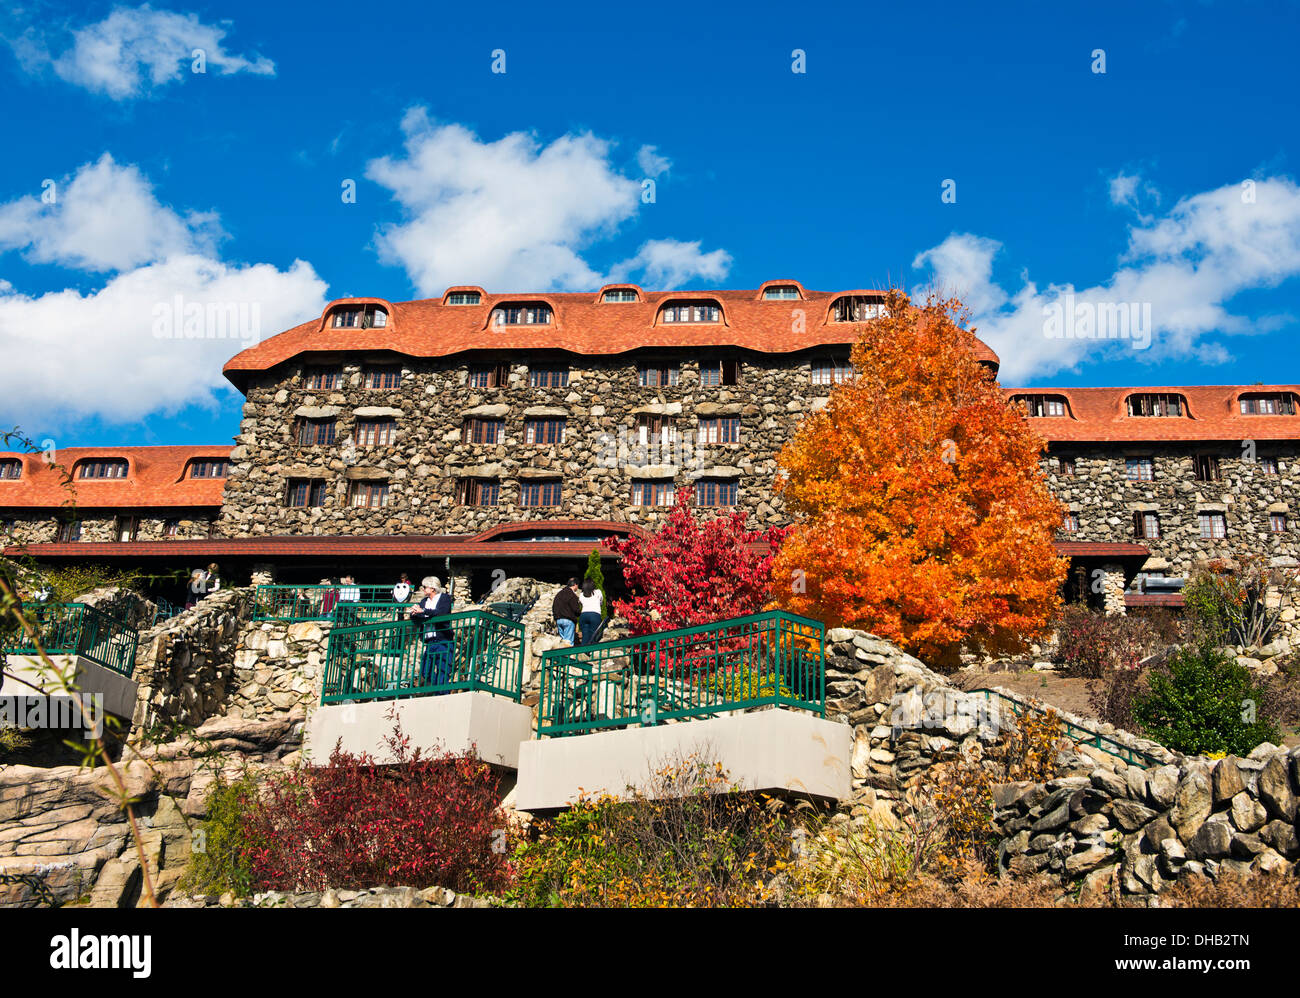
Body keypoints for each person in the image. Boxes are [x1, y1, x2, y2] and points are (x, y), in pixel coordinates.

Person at [409, 576, 454, 688]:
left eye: (425, 587)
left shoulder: (445, 598)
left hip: (443, 640)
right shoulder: (424, 601)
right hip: (430, 641)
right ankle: (438, 690)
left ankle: (441, 693)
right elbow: (419, 614)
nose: (422, 589)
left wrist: (423, 611)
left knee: (443, 672)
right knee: (425, 671)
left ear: (433, 588)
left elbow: (442, 613)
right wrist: (414, 612)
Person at [552, 577, 580, 644]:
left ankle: (562, 654)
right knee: (568, 643)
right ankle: (568, 654)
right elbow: (576, 609)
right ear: (575, 585)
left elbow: (554, 606)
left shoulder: (559, 594)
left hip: (559, 620)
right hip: (568, 620)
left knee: (562, 643)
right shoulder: (572, 595)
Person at [577, 577, 604, 646]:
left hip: (583, 615)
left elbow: (580, 603)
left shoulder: (581, 594)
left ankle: (583, 652)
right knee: (594, 635)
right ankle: (591, 652)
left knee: (585, 636)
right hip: (595, 614)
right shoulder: (598, 592)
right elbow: (601, 602)